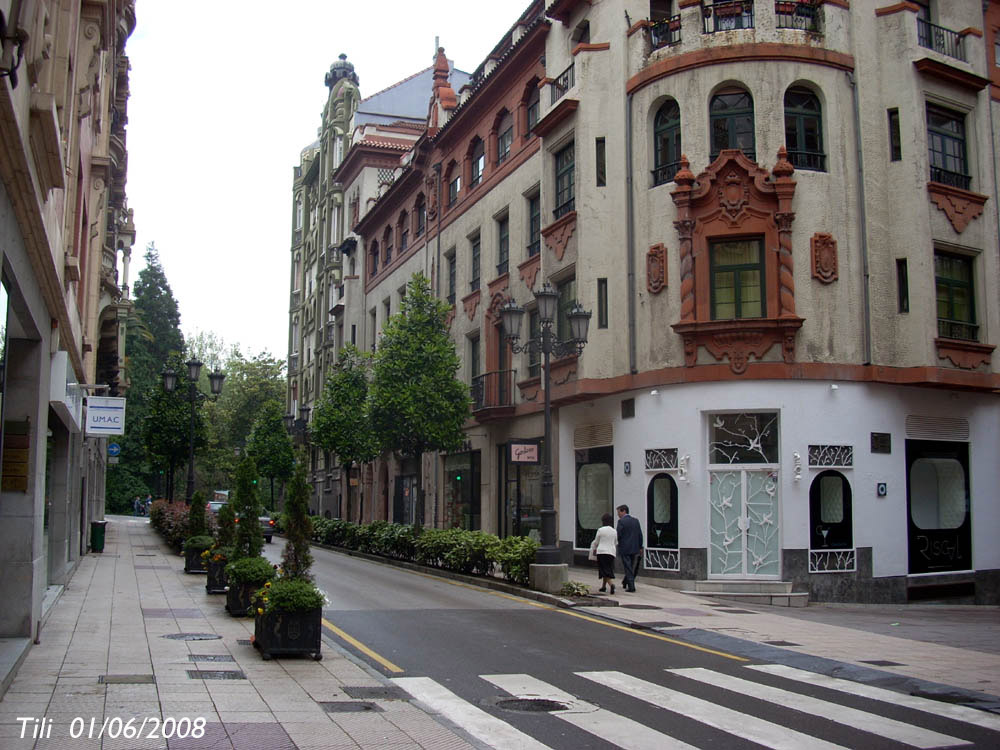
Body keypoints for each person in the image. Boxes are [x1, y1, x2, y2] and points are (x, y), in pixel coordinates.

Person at [616, 504, 643, 592]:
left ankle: (631, 586)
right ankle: (625, 581)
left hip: (625, 548)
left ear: (624, 511)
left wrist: (617, 543)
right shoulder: (635, 521)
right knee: (630, 565)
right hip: (634, 547)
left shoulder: (621, 522)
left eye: (619, 512)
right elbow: (639, 534)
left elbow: (618, 535)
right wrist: (640, 546)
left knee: (628, 567)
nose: (618, 515)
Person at [589, 513, 617, 595]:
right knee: (608, 568)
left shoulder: (601, 530)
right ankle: (603, 587)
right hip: (611, 552)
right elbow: (616, 542)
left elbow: (596, 541)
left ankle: (611, 584)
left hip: (602, 552)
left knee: (603, 570)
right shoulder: (614, 531)